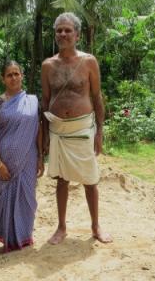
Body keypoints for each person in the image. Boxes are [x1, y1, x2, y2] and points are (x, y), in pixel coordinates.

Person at [41, 12, 112, 245]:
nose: (62, 34)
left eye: (67, 30)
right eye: (59, 30)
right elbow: (45, 101)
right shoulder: (48, 66)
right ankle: (61, 227)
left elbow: (97, 97)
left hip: (83, 128)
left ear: (77, 35)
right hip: (58, 129)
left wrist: (99, 132)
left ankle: (96, 226)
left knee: (90, 179)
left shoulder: (89, 61)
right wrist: (44, 135)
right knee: (61, 179)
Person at [0, 61, 44, 252]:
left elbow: (39, 131)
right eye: (9, 75)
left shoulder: (33, 101)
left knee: (27, 197)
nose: (13, 78)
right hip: (5, 163)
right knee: (4, 198)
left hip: (29, 159)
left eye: (17, 74)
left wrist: (41, 157)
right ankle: (8, 238)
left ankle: (24, 237)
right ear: (3, 79)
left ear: (22, 76)